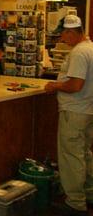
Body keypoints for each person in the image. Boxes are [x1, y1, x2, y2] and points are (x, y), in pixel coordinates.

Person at [45, 15, 93, 216]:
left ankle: (75, 202)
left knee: (71, 157)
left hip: (74, 110)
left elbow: (75, 84)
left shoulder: (79, 53)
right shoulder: (90, 48)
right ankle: (89, 193)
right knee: (84, 154)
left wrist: (55, 85)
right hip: (87, 109)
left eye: (63, 34)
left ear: (71, 32)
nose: (62, 39)